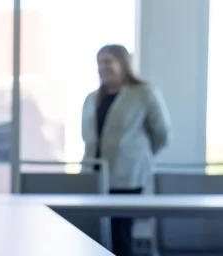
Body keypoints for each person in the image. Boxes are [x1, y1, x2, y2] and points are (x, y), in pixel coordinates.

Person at [81, 44, 171, 256]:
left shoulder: (143, 93)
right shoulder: (92, 98)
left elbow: (162, 133)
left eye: (108, 61)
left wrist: (138, 155)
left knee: (120, 233)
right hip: (94, 174)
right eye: (99, 62)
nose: (102, 67)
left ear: (123, 63)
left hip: (127, 176)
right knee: (94, 233)